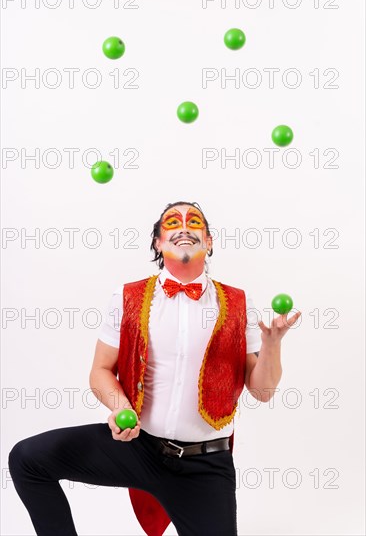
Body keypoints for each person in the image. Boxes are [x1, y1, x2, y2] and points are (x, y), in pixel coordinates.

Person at [8, 201, 301, 536]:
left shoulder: (237, 304)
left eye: (195, 222)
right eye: (172, 222)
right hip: (138, 448)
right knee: (28, 459)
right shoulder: (127, 298)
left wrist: (273, 345)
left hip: (204, 464)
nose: (184, 227)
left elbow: (262, 391)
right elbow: (101, 370)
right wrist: (120, 409)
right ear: (158, 243)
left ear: (209, 242)